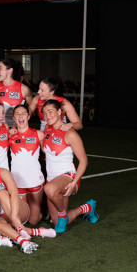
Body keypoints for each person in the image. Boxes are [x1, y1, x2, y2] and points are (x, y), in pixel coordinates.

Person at [0, 147, 56, 239]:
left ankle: (18, 225)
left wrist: (14, 217)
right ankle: (36, 231)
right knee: (2, 227)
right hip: (0, 215)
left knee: (2, 193)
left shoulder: (2, 172)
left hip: (16, 209)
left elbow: (14, 194)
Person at [42, 100, 98, 233]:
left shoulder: (70, 134)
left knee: (49, 189)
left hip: (68, 177)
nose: (47, 116)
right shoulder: (47, 129)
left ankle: (62, 214)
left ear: (60, 112)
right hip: (52, 178)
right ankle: (87, 208)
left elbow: (84, 161)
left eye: (50, 112)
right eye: (44, 113)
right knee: (57, 225)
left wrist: (73, 184)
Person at [9, 104, 46, 226]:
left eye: (23, 113)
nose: (20, 116)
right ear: (14, 118)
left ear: (29, 116)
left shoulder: (39, 134)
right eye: (17, 114)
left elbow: (49, 153)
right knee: (23, 219)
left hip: (35, 181)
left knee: (33, 221)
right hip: (18, 183)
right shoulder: (10, 136)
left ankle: (43, 211)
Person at [0, 58, 32, 128]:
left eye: (0, 68)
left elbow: (31, 108)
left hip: (17, 129)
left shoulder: (24, 89)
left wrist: (19, 123)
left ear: (10, 71)